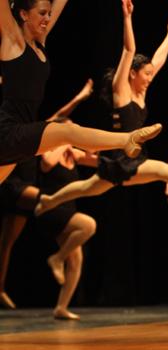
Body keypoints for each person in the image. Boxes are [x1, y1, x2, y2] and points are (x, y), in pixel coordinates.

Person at [33, 0, 168, 216]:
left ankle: (50, 200)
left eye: (151, 74)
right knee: (163, 170)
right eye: (146, 74)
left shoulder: (142, 92)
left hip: (123, 158)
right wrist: (127, 18)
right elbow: (129, 50)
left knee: (87, 188)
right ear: (133, 73)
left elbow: (158, 61)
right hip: (123, 159)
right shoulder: (121, 90)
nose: (151, 77)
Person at [0, 0, 163, 184]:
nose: (47, 18)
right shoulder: (12, 39)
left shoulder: (39, 42)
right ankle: (127, 139)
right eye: (42, 13)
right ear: (24, 14)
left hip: (19, 133)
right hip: (7, 131)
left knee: (66, 132)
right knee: (67, 131)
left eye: (49, 14)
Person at [0, 78, 94, 310]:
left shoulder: (37, 133)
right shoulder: (12, 132)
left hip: (28, 187)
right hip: (14, 185)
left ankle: (2, 290)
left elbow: (61, 120)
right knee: (45, 200)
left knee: (6, 242)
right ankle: (51, 203)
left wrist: (80, 98)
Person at [35, 115, 98, 320]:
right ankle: (57, 258)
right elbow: (47, 163)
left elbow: (97, 160)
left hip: (67, 211)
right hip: (49, 209)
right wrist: (64, 143)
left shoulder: (73, 155)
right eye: (70, 131)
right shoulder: (50, 152)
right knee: (89, 225)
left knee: (76, 260)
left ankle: (61, 307)